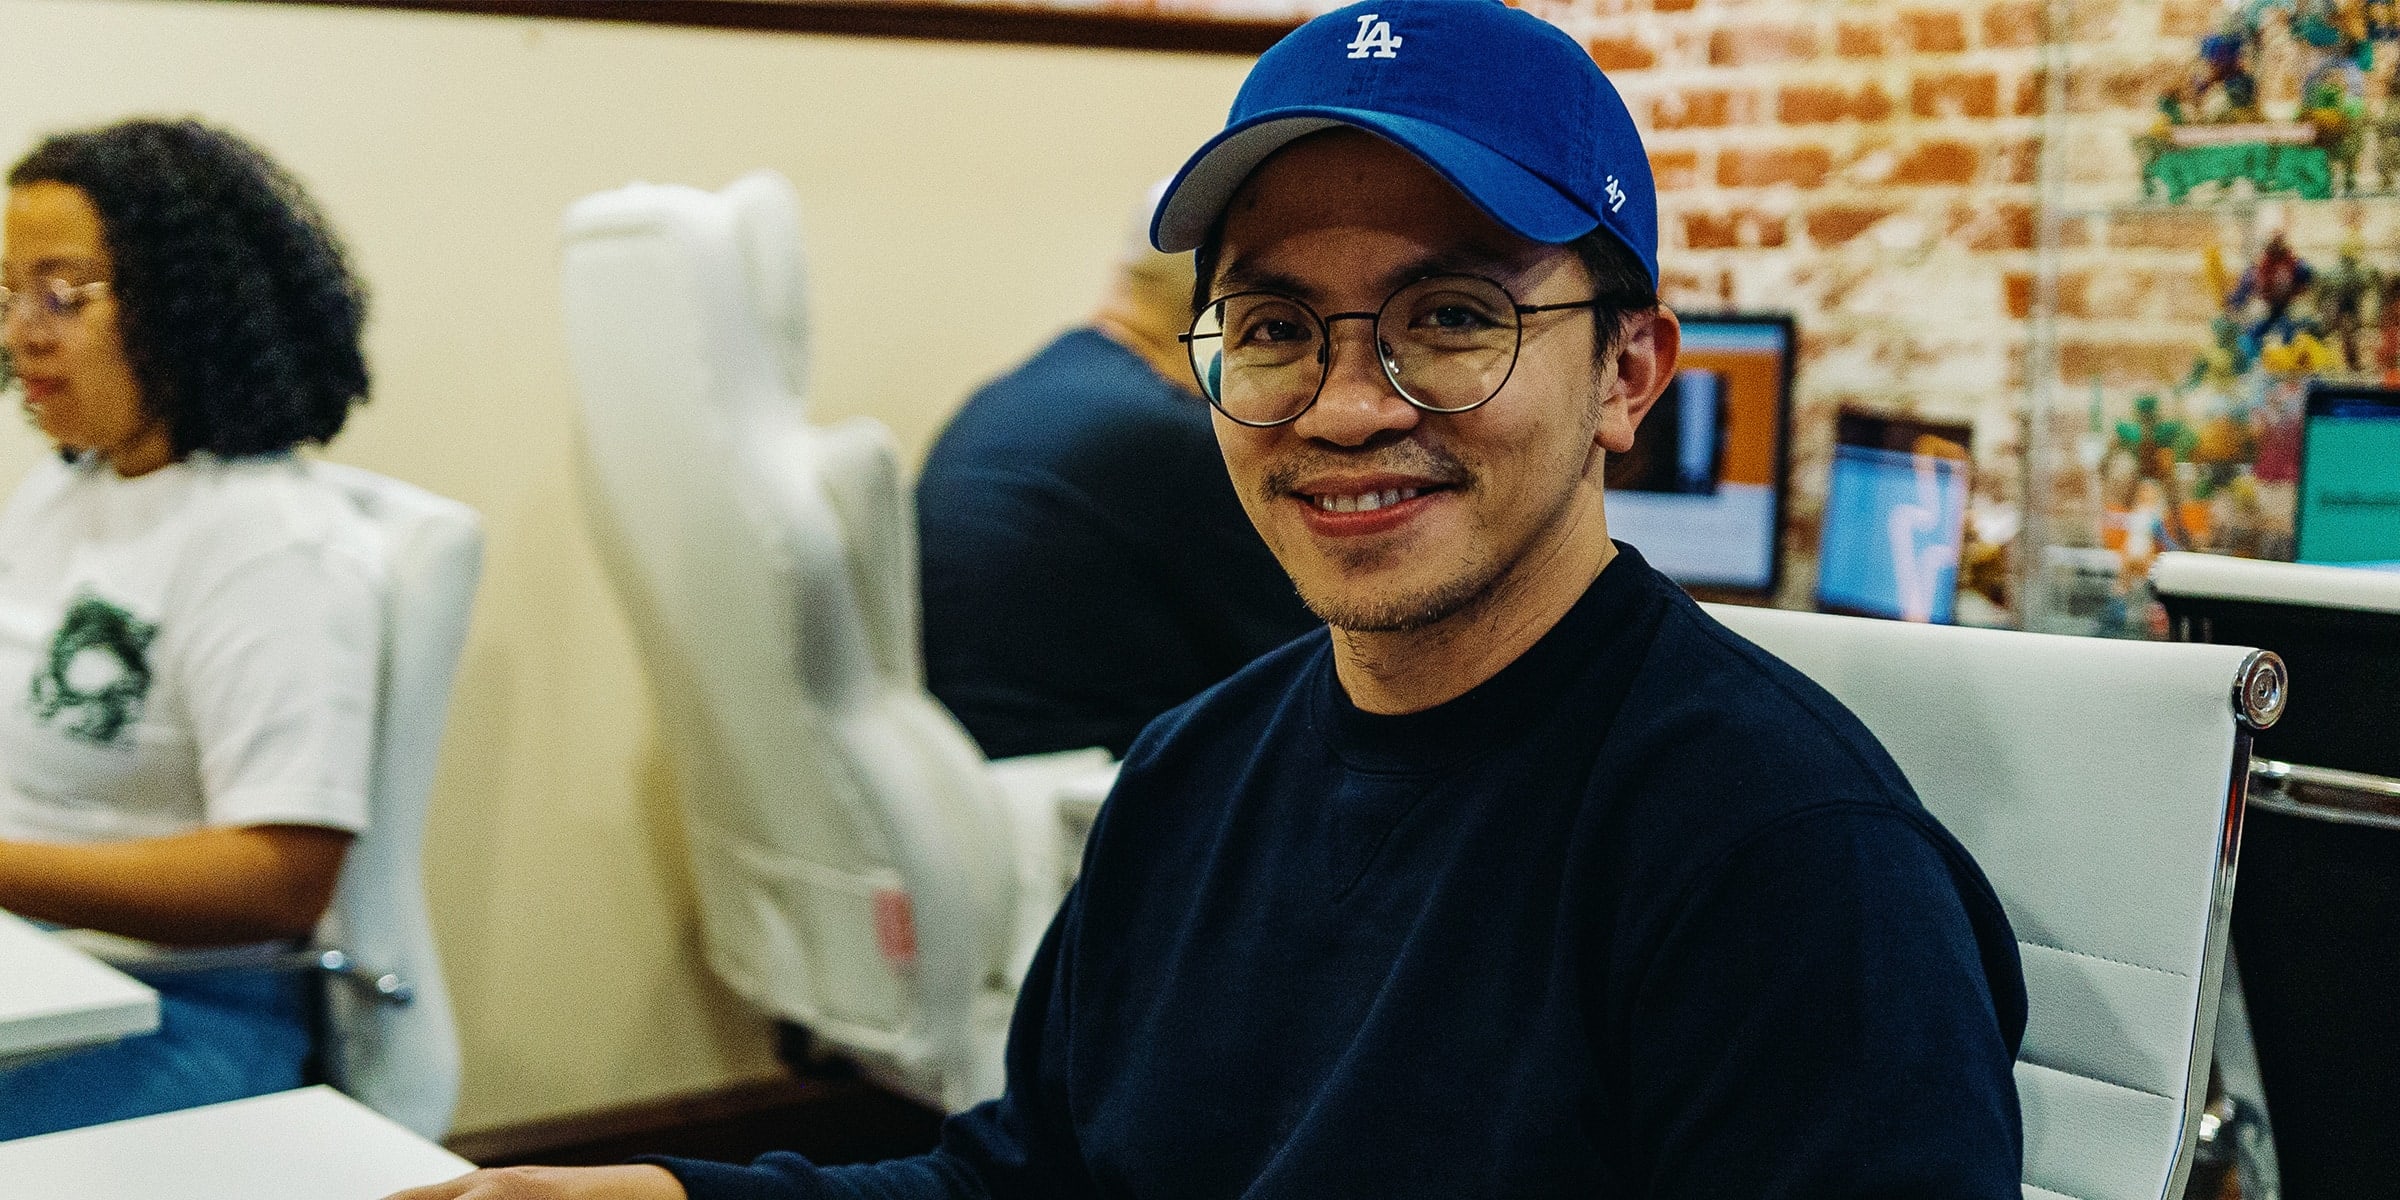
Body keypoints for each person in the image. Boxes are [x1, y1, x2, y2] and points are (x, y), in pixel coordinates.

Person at [394, 1, 2025, 1195]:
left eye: (1451, 316)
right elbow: (1038, 1183)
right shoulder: (1194, 773)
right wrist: (676, 1199)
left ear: (1628, 373)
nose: (1342, 405)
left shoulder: (1788, 869)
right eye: (1273, 327)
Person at [0, 118, 383, 1137]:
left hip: (191, 1016)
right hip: (41, 974)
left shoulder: (270, 544)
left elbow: (277, 881)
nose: (22, 334)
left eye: (63, 295)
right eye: (10, 293)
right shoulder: (63, 493)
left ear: (185, 302)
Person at [917, 182, 1313, 760]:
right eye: (1281, 326)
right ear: (1226, 311)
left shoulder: (1046, 384)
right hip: (1087, 791)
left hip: (986, 775)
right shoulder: (1158, 437)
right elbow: (1331, 649)